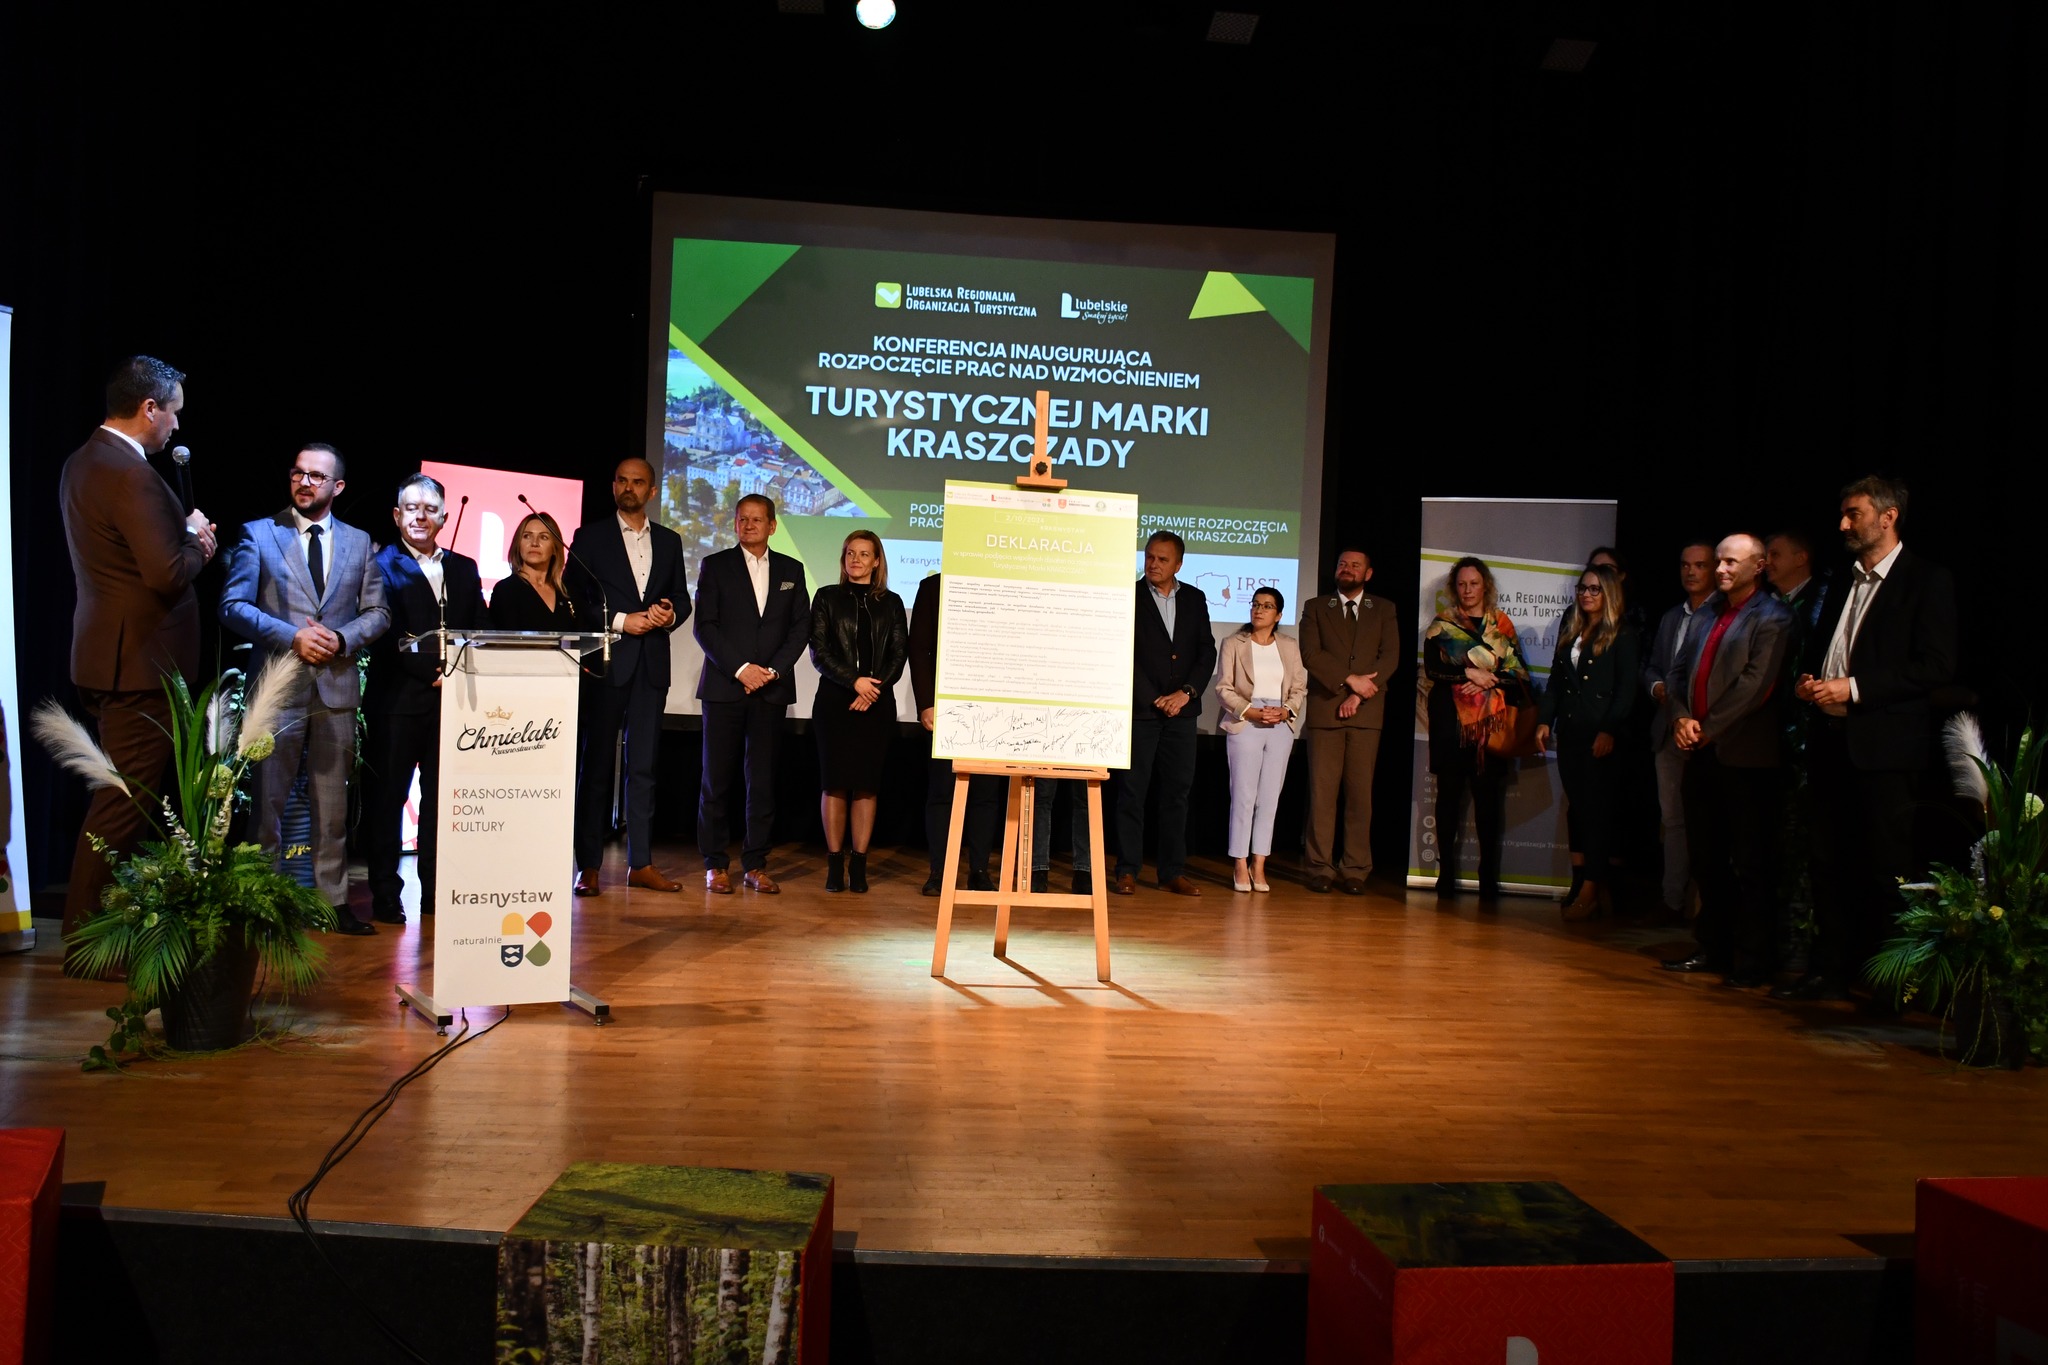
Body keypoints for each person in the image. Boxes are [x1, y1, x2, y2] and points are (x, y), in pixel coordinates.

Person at [58, 357, 218, 963]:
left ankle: (103, 934)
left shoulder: (83, 461)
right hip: (138, 666)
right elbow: (167, 573)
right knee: (123, 806)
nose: (176, 425)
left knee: (127, 800)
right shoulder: (131, 475)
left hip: (111, 657)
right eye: (173, 412)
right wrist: (197, 541)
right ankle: (86, 945)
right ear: (149, 408)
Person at [1779, 476, 1956, 1002]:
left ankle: (1891, 985)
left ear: (1888, 516)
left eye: (1853, 513)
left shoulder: (1926, 580)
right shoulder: (1842, 581)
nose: (1842, 524)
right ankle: (1829, 971)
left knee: (1887, 868)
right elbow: (1826, 651)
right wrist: (1811, 682)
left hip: (1885, 750)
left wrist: (1853, 688)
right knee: (1828, 862)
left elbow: (1936, 666)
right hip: (1830, 741)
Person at [219, 443, 389, 935]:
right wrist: (292, 635)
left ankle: (333, 902)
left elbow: (378, 612)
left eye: (316, 476)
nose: (304, 482)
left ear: (338, 486)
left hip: (336, 688)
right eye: (298, 473)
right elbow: (233, 606)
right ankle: (263, 901)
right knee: (267, 804)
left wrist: (342, 638)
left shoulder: (358, 541)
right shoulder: (259, 533)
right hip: (278, 687)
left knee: (332, 805)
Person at [1660, 535, 1793, 986]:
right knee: (1706, 857)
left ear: (1758, 567)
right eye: (1718, 561)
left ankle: (1754, 961)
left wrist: (1706, 728)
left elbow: (1756, 685)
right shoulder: (1707, 612)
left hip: (1745, 757)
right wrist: (1681, 718)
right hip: (1701, 753)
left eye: (1731, 562)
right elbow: (1677, 673)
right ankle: (1713, 947)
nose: (1720, 569)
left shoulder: (1773, 617)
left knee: (1751, 863)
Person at [361, 474, 486, 927]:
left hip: (452, 705)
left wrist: (456, 669)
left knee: (441, 802)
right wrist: (434, 671)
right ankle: (384, 893)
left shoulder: (464, 568)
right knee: (387, 800)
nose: (420, 516)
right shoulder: (378, 565)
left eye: (430, 509)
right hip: (396, 701)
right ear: (397, 516)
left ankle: (435, 891)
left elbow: (479, 628)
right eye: (412, 508)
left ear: (444, 518)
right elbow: (382, 630)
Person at [568, 458, 691, 897]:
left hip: (651, 667)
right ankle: (589, 866)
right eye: (622, 480)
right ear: (613, 485)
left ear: (652, 491)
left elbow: (681, 598)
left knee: (643, 768)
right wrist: (621, 621)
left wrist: (669, 613)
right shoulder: (590, 537)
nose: (629, 487)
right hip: (606, 664)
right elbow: (573, 599)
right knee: (597, 766)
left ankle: (641, 863)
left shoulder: (670, 541)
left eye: (638, 482)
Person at [694, 494, 810, 894]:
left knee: (761, 782)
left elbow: (800, 628)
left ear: (772, 526)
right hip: (725, 687)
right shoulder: (715, 565)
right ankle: (715, 864)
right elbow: (704, 627)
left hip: (770, 691)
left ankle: (756, 864)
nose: (748, 525)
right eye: (742, 519)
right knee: (716, 781)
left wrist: (771, 671)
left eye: (757, 519)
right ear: (735, 524)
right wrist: (742, 669)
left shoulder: (792, 569)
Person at [1422, 557, 1532, 900]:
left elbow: (1520, 675)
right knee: (1448, 797)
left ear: (1485, 587)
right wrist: (1466, 673)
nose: (1468, 590)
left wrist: (1489, 679)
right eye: (1462, 584)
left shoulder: (1502, 625)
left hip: (1491, 726)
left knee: (1488, 800)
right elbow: (1432, 671)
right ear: (1454, 588)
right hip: (1450, 723)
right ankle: (1446, 875)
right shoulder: (1441, 626)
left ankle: (1488, 877)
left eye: (1474, 584)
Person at [1114, 531, 1216, 897]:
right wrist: (1154, 697)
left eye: (1162, 559)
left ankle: (1172, 872)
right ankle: (1127, 869)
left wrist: (1185, 693)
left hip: (1182, 714)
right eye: (1149, 557)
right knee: (1132, 793)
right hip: (1143, 711)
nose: (1153, 564)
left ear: (1179, 565)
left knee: (1176, 795)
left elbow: (1206, 651)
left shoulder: (1195, 597)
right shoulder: (1130, 596)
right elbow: (1123, 651)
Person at [1535, 564, 1640, 920]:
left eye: (1595, 589)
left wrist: (1608, 730)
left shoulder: (1623, 635)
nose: (1586, 594)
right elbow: (1555, 681)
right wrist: (1544, 721)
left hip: (1600, 735)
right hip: (1571, 733)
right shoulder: (1572, 628)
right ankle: (1584, 882)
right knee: (1579, 809)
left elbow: (1626, 691)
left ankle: (1594, 887)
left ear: (1609, 593)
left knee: (1597, 812)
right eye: (1583, 588)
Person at [808, 531, 908, 893]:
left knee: (866, 786)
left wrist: (872, 689)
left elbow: (899, 653)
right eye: (851, 553)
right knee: (833, 784)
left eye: (864, 554)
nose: (856, 560)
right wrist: (854, 682)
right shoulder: (826, 597)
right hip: (836, 703)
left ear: (876, 561)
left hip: (876, 704)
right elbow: (819, 651)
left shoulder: (892, 602)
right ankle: (835, 864)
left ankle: (860, 865)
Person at [1297, 548, 1401, 894]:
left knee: (1360, 795)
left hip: (1366, 713)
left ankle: (1355, 868)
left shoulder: (1383, 609)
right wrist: (1348, 680)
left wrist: (1359, 693)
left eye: (1355, 565)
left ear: (1368, 574)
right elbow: (1311, 654)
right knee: (1322, 794)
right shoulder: (1316, 607)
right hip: (1326, 710)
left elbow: (1390, 657)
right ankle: (1320, 867)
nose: (1347, 569)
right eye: (1343, 563)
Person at [908, 573, 1002, 896]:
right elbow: (919, 649)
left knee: (985, 794)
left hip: (993, 708)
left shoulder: (1001, 584)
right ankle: (939, 871)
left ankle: (979, 871)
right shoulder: (933, 586)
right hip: (945, 707)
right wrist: (925, 703)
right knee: (942, 793)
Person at [1641, 542, 1716, 922]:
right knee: (1672, 820)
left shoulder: (1723, 614)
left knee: (1707, 822)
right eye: (1685, 565)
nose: (1691, 572)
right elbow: (1654, 667)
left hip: (1707, 732)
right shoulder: (1673, 616)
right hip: (1667, 729)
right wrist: (1656, 687)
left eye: (1700, 565)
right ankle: (1672, 900)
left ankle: (1705, 907)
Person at [1217, 587, 1309, 893]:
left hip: (1280, 724)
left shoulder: (1289, 646)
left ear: (1278, 615)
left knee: (1269, 798)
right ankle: (1239, 862)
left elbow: (1299, 687)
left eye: (1267, 606)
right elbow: (1224, 688)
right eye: (1256, 604)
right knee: (1244, 796)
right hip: (1246, 721)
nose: (1259, 610)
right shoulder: (1234, 643)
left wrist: (1286, 711)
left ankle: (1259, 863)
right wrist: (1250, 711)